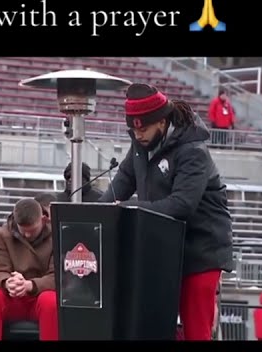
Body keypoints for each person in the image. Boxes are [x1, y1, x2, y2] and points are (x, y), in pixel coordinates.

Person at [99, 83, 234, 340]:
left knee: (196, 332)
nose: (138, 135)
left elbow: (182, 205)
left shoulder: (193, 151)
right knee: (154, 327)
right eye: (133, 129)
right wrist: (99, 213)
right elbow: (123, 181)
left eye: (144, 128)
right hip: (162, 250)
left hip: (200, 253)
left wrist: (129, 208)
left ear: (161, 122)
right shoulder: (140, 144)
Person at [0, 198, 58, 341]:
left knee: (51, 301)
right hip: (12, 295)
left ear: (43, 219)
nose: (27, 235)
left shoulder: (56, 234)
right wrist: (8, 282)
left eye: (32, 230)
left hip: (40, 294)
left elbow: (57, 276)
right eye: (23, 230)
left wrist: (30, 285)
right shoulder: (2, 235)